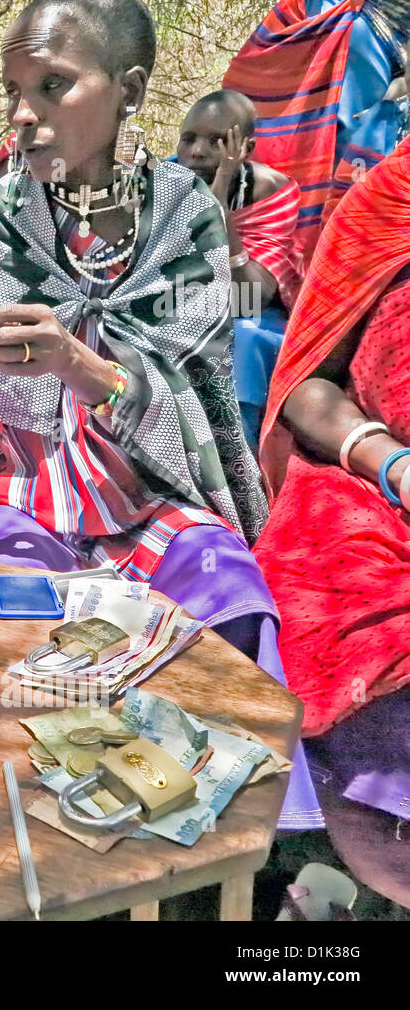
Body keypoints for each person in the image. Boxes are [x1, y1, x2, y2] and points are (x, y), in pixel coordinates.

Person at [0, 0, 278, 659]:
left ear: (129, 90)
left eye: (54, 84)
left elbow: (198, 401)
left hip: (149, 495)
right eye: (12, 90)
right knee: (15, 629)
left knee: (228, 600)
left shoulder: (184, 216)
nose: (23, 115)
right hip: (10, 494)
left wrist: (79, 365)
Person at [252, 133, 410, 907]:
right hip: (379, 486)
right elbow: (308, 387)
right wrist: (389, 462)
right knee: (344, 608)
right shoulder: (387, 203)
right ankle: (370, 844)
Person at [223, 0, 410, 268]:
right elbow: (250, 92)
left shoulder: (378, 4)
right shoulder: (302, 4)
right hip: (305, 183)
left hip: (364, 174)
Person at [174, 90, 303, 451]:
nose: (197, 151)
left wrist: (219, 218)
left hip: (255, 318)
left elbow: (253, 298)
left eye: (216, 141)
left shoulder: (271, 192)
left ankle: (239, 461)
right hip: (183, 306)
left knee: (242, 339)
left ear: (245, 148)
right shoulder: (165, 182)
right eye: (189, 139)